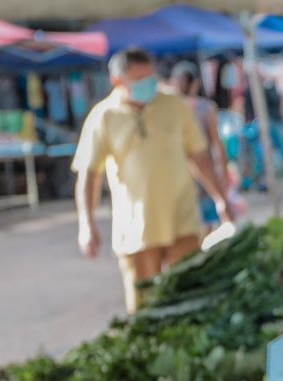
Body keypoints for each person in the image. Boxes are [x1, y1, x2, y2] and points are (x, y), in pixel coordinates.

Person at [74, 47, 235, 311]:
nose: (148, 84)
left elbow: (199, 155)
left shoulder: (174, 105)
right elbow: (89, 174)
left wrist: (221, 198)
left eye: (151, 77)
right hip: (136, 230)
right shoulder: (103, 116)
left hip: (182, 220)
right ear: (118, 80)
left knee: (190, 300)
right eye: (140, 79)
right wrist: (86, 223)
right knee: (145, 309)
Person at [171, 61, 230, 228]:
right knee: (208, 224)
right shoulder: (206, 108)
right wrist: (223, 170)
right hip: (204, 170)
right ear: (196, 83)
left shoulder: (170, 110)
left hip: (181, 174)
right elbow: (217, 142)